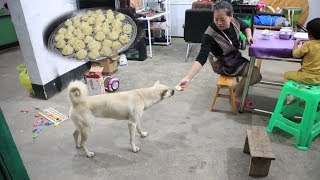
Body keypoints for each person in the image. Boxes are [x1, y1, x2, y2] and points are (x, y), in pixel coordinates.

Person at [177, 1, 262, 99]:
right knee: (254, 74)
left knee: (255, 74)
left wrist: (249, 36)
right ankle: (236, 96)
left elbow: (246, 27)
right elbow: (201, 58)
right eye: (216, 19)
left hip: (235, 58)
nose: (219, 23)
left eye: (222, 19)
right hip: (223, 64)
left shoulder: (235, 21)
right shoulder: (209, 35)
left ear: (231, 17)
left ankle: (236, 88)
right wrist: (188, 78)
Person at [284, 18, 320, 85]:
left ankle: (294, 93)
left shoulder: (308, 44)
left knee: (287, 75)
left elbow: (295, 55)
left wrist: (296, 44)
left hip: (306, 77)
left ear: (309, 34)